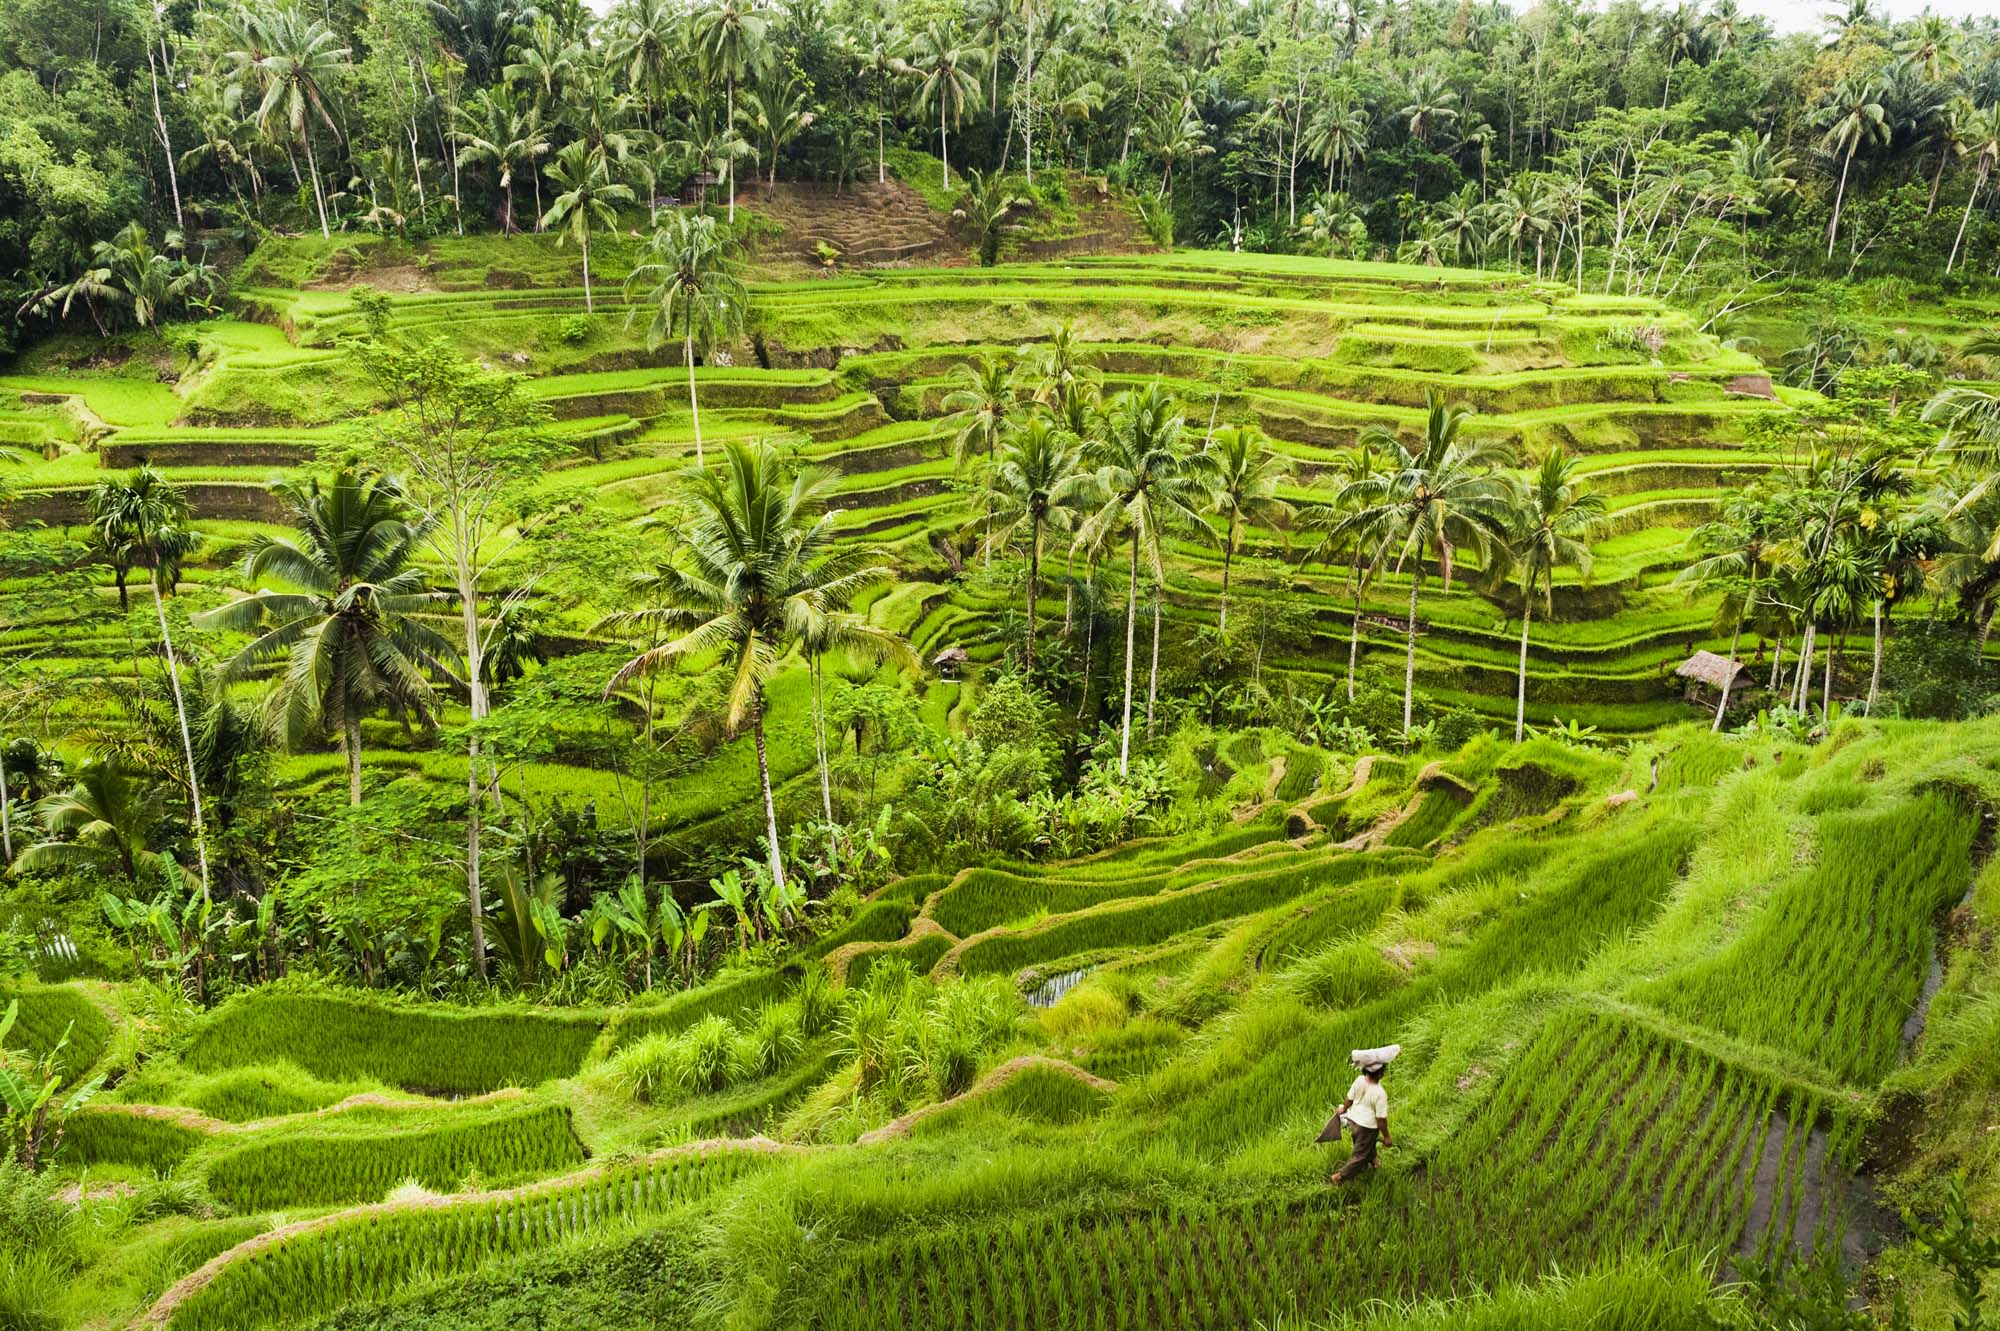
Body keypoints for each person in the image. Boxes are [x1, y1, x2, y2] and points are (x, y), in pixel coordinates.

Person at [1329, 1062, 1392, 1184]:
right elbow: (1381, 1120)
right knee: (1360, 1156)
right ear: (1381, 1073)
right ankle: (1339, 1177)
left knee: (1366, 1145)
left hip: (1354, 1122)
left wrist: (1344, 1109)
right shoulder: (1380, 1093)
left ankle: (1373, 1162)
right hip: (1367, 1127)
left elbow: (1349, 1099)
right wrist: (1387, 1136)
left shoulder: (1359, 1080)